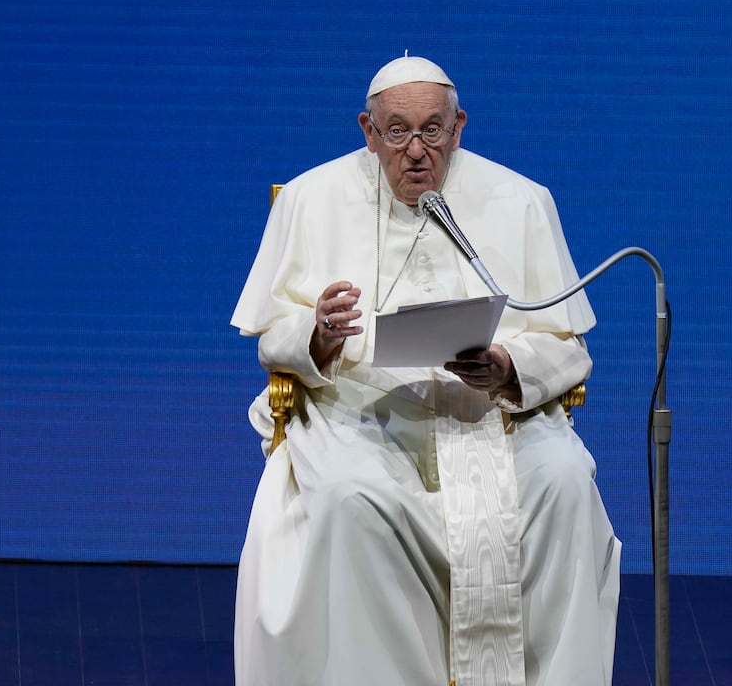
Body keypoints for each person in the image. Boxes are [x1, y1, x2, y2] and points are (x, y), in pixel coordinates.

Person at [231, 55, 620, 686]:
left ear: (459, 125)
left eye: (432, 130)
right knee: (349, 500)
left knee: (566, 482)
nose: (416, 151)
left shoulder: (521, 199)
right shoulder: (311, 197)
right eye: (397, 131)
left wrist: (508, 368)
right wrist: (319, 334)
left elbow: (568, 343)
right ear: (368, 129)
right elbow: (272, 336)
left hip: (494, 420)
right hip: (360, 415)